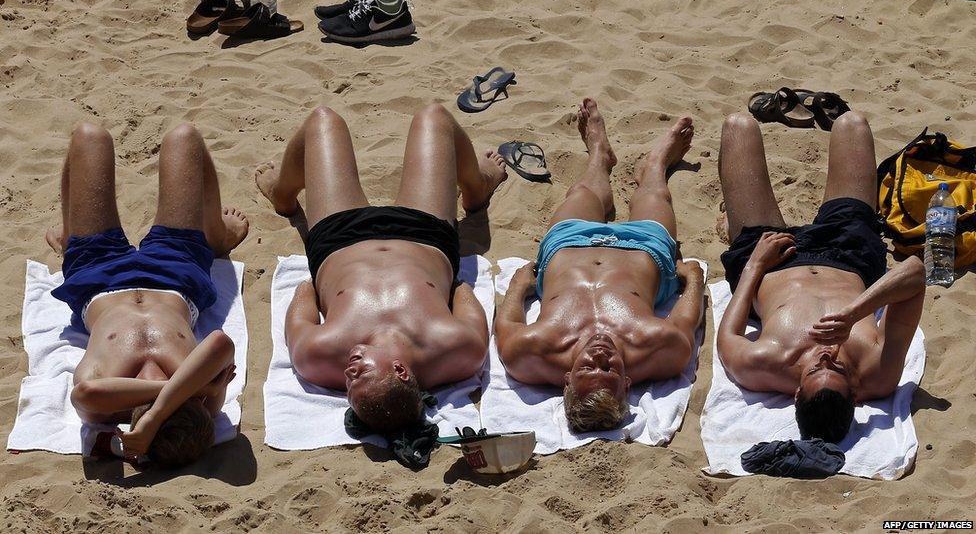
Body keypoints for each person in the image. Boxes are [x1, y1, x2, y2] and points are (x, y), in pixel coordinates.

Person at [255, 103, 506, 434]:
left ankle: (282, 193)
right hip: (424, 235)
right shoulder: (458, 348)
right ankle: (477, 186)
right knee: (434, 115)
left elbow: (303, 292)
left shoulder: (318, 356)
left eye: (347, 386)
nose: (348, 373)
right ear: (401, 371)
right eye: (361, 375)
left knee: (323, 119)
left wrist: (336, 288)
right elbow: (463, 290)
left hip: (338, 238)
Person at [494, 98, 706, 433]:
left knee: (585, 190)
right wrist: (693, 280)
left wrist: (517, 290)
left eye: (586, 370)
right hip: (643, 248)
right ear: (627, 382)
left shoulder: (529, 353)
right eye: (608, 370)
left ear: (567, 379)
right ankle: (655, 164)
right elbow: (687, 321)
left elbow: (506, 325)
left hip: (569, 244)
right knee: (654, 196)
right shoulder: (658, 347)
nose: (599, 357)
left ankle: (599, 155)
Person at [716, 111, 925, 444]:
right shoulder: (877, 372)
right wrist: (853, 315)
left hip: (772, 262)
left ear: (797, 393)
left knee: (738, 126)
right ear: (855, 396)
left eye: (816, 369)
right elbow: (915, 272)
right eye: (839, 369)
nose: (826, 357)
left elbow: (728, 333)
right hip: (847, 253)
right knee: (852, 124)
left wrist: (755, 264)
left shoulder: (762, 365)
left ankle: (736, 227)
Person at [47, 122, 249, 466]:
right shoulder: (203, 400)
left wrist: (166, 403)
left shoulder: (110, 402)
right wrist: (193, 392)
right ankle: (216, 234)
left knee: (89, 135)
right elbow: (220, 343)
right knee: (184, 136)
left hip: (97, 278)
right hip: (178, 277)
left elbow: (84, 394)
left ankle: (70, 234)